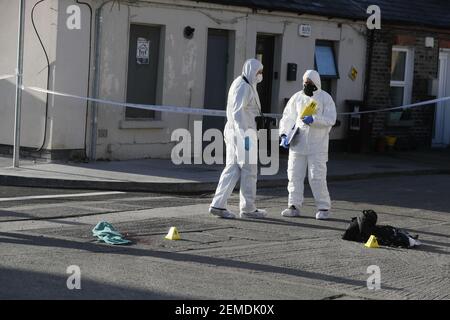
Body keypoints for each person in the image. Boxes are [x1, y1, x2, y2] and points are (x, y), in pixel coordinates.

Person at [209, 58, 267, 219]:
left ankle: (218, 204)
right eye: (259, 72)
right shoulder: (243, 87)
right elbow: (238, 113)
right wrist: (245, 137)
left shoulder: (245, 84)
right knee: (249, 170)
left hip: (238, 133)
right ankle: (248, 208)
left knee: (232, 169)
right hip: (242, 134)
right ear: (251, 71)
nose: (260, 75)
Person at [279, 70, 337, 220]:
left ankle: (324, 207)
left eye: (309, 83)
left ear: (316, 83)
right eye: (305, 82)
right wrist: (284, 134)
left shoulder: (325, 98)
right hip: (297, 144)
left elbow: (331, 119)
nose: (306, 85)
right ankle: (293, 205)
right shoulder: (297, 98)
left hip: (317, 146)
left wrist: (314, 120)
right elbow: (287, 118)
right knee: (293, 175)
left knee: (316, 177)